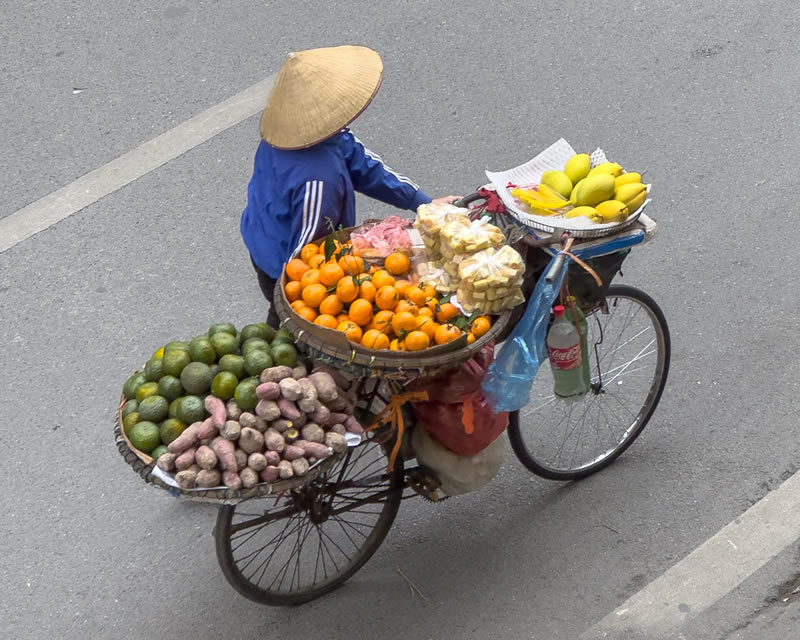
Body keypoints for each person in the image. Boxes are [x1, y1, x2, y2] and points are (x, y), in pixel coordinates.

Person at [240, 45, 458, 327]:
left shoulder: (297, 134)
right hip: (282, 260)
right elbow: (309, 253)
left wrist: (422, 202)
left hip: (263, 232)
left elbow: (365, 166)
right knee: (288, 327)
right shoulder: (318, 180)